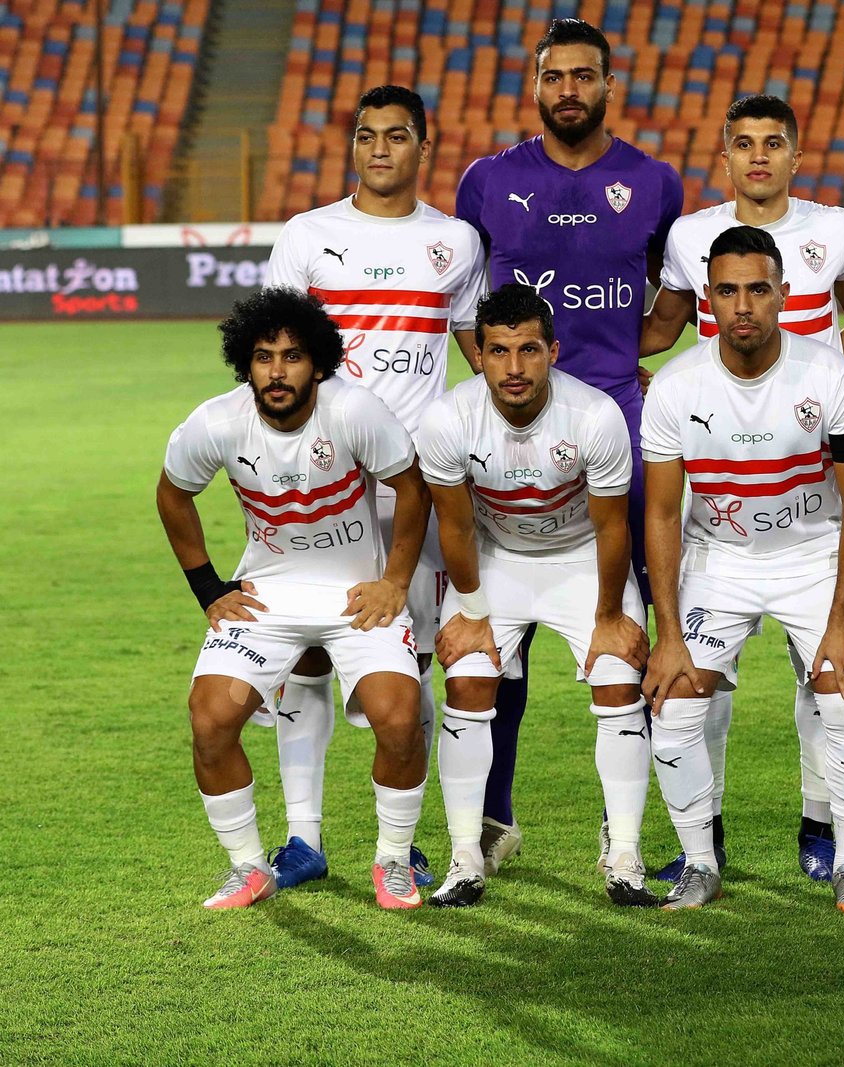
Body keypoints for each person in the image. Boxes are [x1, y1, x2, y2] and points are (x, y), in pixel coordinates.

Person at [454, 17, 684, 874]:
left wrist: (631, 360)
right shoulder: (487, 182)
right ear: (537, 86)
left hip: (621, 429)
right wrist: (497, 381)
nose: (570, 91)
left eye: (585, 77)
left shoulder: (655, 183)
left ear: (608, 87)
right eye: (556, 77)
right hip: (511, 440)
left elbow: (677, 298)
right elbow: (468, 308)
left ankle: (627, 828)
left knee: (639, 628)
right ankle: (493, 816)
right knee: (494, 630)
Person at [263, 84, 486, 892]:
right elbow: (278, 356)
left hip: (413, 487)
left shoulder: (456, 243)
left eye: (397, 136)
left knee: (410, 659)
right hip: (321, 484)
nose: (380, 149)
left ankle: (404, 840)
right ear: (352, 146)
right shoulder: (308, 236)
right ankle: (302, 837)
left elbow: (477, 355)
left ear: (424, 148)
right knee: (308, 654)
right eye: (366, 136)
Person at [641, 93, 844, 882]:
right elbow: (664, 328)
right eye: (744, 144)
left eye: (774, 143)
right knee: (702, 684)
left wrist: (825, 392)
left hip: (808, 477)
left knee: (830, 683)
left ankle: (823, 824)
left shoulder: (837, 228)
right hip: (718, 492)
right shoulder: (690, 235)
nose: (759, 156)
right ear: (724, 157)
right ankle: (708, 839)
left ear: (797, 155)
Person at [155, 288, 430, 910]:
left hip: (354, 594)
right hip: (267, 597)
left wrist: (394, 581)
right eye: (262, 358)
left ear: (319, 364)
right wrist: (208, 587)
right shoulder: (218, 421)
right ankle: (249, 866)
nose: (277, 372)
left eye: (292, 357)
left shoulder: (356, 410)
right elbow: (172, 494)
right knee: (209, 720)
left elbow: (411, 490)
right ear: (244, 364)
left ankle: (392, 860)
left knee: (399, 715)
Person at [417, 284, 653, 908]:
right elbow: (457, 525)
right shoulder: (447, 418)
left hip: (582, 561)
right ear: (479, 354)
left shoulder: (596, 415)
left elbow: (611, 527)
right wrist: (471, 613)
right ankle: (466, 855)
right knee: (466, 678)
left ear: (553, 351)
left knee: (618, 675)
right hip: (497, 561)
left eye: (527, 350)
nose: (513, 368)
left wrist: (607, 617)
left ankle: (624, 854)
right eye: (498, 351)